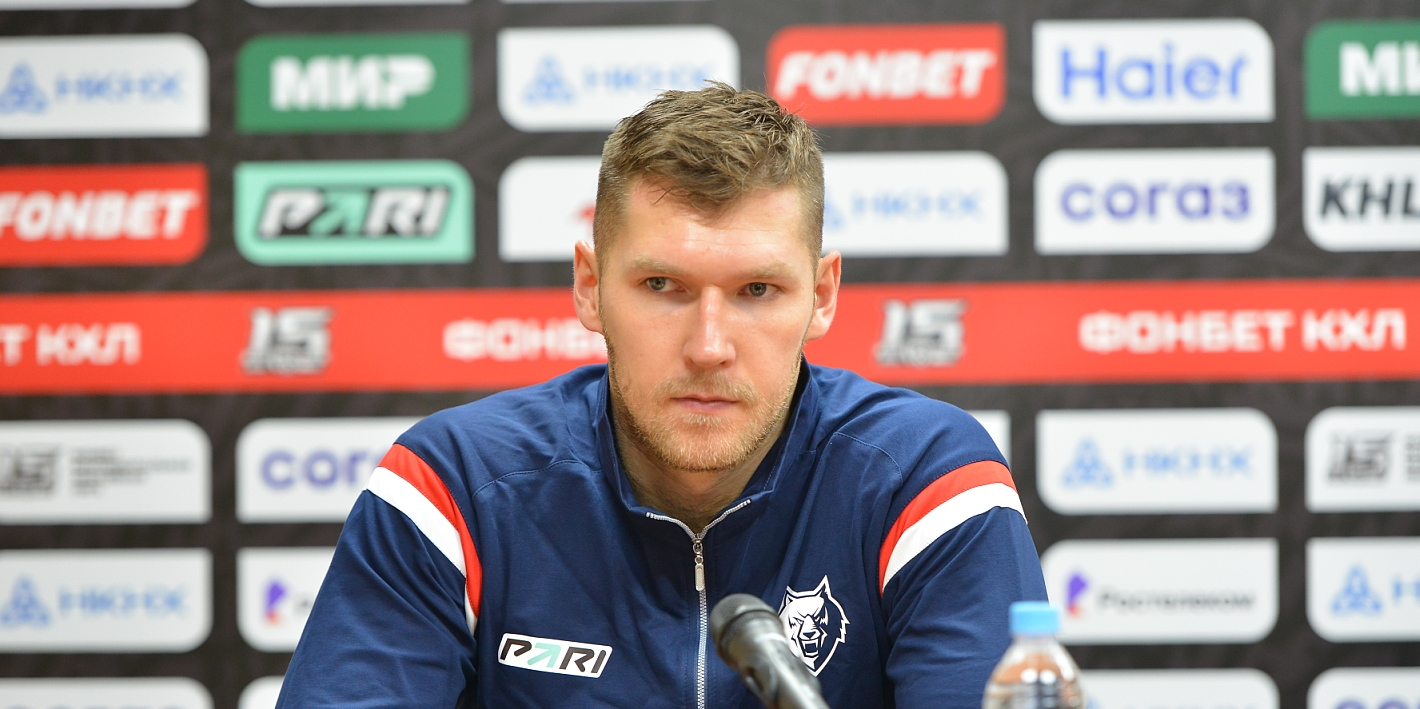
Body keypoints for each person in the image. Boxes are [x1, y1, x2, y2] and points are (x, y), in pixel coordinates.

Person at [277, 82, 1046, 709]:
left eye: (757, 289)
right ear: (589, 286)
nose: (709, 345)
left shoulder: (924, 480)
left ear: (822, 295)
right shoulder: (456, 487)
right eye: (661, 285)